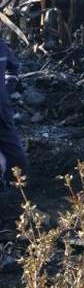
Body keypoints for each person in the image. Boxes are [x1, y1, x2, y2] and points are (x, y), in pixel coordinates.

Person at [0, 40, 26, 189]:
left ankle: (15, 201)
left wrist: (5, 91)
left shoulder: (1, 46)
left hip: (2, 113)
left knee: (18, 161)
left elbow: (13, 68)